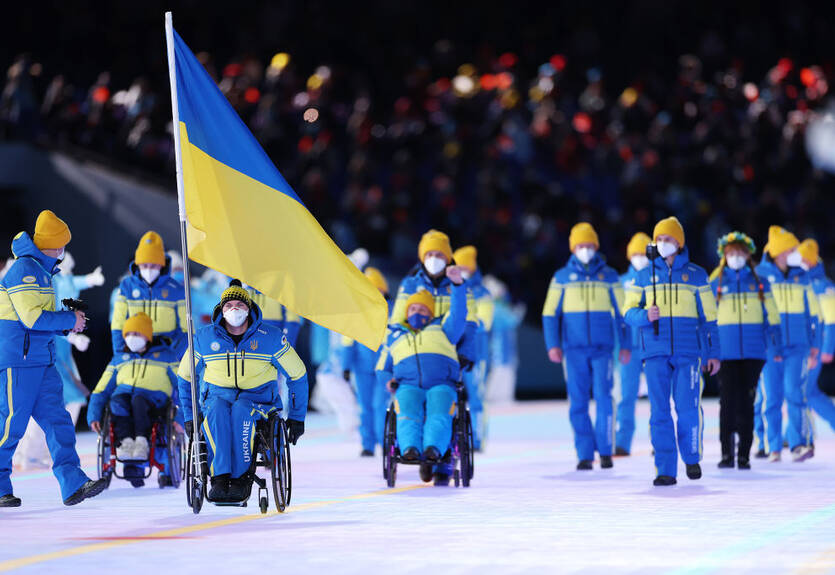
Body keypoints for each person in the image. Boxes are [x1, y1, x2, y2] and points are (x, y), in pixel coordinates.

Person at [0, 210, 106, 506]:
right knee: (10, 426)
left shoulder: (42, 270)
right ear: (53, 244)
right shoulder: (25, 270)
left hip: (40, 359)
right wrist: (68, 319)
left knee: (59, 422)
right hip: (19, 362)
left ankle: (73, 482)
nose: (63, 250)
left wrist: (66, 323)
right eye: (61, 243)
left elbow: (37, 319)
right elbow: (32, 318)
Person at [177, 280, 308, 502]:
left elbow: (298, 374)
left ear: (249, 308)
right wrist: (189, 417)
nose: (234, 309)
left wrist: (296, 417)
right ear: (221, 310)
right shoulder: (203, 338)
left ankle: (240, 478)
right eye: (228, 306)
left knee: (241, 410)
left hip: (258, 401)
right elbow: (185, 377)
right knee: (217, 410)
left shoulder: (271, 337)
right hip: (217, 397)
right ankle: (219, 478)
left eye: (239, 304)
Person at [623, 216, 720, 486]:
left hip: (689, 354)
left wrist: (713, 353)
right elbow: (627, 312)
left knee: (688, 408)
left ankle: (691, 456)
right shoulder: (643, 276)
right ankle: (665, 468)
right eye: (660, 238)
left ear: (679, 243)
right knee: (660, 411)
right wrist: (645, 315)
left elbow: (709, 319)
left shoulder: (697, 275)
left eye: (668, 238)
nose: (663, 243)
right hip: (654, 352)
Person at [543, 223, 630, 470]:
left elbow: (623, 313)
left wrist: (626, 345)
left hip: (603, 350)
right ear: (573, 248)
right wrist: (553, 345)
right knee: (578, 401)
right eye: (581, 246)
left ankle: (605, 450)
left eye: (589, 245)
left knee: (604, 398)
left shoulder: (609, 276)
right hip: (573, 351)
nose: (585, 250)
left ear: (596, 246)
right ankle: (584, 453)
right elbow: (550, 313)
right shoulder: (561, 277)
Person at [376, 264, 468, 484]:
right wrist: (387, 379)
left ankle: (433, 449)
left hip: (441, 383)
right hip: (408, 384)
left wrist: (457, 285)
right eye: (413, 309)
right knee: (406, 409)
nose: (417, 313)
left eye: (423, 310)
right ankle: (410, 449)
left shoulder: (444, 329)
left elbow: (459, 312)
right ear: (406, 313)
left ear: (431, 314)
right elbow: (382, 366)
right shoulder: (395, 336)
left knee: (439, 410)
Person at [13, 250, 103, 469]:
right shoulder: (44, 283)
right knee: (45, 404)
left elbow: (73, 286)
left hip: (60, 354)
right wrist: (72, 336)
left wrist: (90, 279)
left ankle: (42, 451)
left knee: (65, 402)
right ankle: (28, 452)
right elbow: (42, 318)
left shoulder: (60, 281)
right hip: (46, 351)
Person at [710, 232, 781, 469]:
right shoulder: (716, 283)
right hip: (725, 355)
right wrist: (708, 350)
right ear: (724, 256)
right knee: (728, 403)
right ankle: (727, 454)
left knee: (747, 404)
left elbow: (773, 317)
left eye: (740, 252)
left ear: (748, 254)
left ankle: (744, 455)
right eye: (731, 253)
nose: (736, 257)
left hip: (753, 353)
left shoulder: (760, 282)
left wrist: (776, 346)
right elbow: (707, 320)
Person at [87, 312, 182, 487]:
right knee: (116, 402)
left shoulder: (167, 357)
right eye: (128, 334)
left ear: (147, 336)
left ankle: (142, 442)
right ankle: (127, 444)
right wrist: (93, 415)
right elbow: (100, 390)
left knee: (138, 400)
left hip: (155, 402)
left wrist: (181, 418)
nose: (131, 338)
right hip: (125, 400)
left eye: (136, 334)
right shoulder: (119, 359)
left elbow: (182, 386)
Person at [753, 226, 819, 462]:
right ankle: (772, 446)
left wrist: (815, 344)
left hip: (798, 346)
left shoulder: (801, 275)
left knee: (795, 393)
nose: (795, 253)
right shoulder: (759, 274)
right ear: (779, 251)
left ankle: (798, 445)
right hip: (770, 348)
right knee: (771, 397)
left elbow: (814, 312)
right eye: (791, 249)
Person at [111, 231, 188, 357]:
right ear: (137, 264)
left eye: (154, 265)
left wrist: (174, 354)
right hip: (135, 352)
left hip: (168, 353)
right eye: (144, 265)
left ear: (162, 265)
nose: (149, 270)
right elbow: (118, 324)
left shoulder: (175, 289)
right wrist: (121, 353)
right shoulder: (127, 286)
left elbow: (186, 329)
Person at [341, 267, 391, 456]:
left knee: (380, 405)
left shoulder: (391, 312)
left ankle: (384, 441)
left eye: (377, 290)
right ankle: (368, 444)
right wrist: (346, 366)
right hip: (362, 369)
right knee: (365, 406)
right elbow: (348, 340)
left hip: (384, 369)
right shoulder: (356, 314)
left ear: (384, 291)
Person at [452, 245, 494, 450]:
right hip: (452, 352)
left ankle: (477, 438)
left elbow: (484, 322)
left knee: (477, 396)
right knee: (449, 395)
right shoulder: (450, 290)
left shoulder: (482, 293)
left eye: (465, 267)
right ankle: (451, 437)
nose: (462, 271)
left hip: (477, 353)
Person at [615, 232, 651, 456]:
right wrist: (623, 345)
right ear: (629, 256)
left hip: (652, 345)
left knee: (658, 396)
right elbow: (618, 319)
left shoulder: (656, 279)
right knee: (626, 396)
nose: (639, 257)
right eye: (635, 253)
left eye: (643, 253)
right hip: (629, 348)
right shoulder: (621, 283)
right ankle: (622, 442)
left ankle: (659, 441)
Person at [797, 239, 835, 432]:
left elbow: (831, 321)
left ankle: (798, 433)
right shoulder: (804, 283)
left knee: (806, 391)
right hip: (804, 346)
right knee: (803, 390)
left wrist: (828, 349)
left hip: (816, 347)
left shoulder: (823, 286)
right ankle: (796, 432)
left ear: (810, 261)